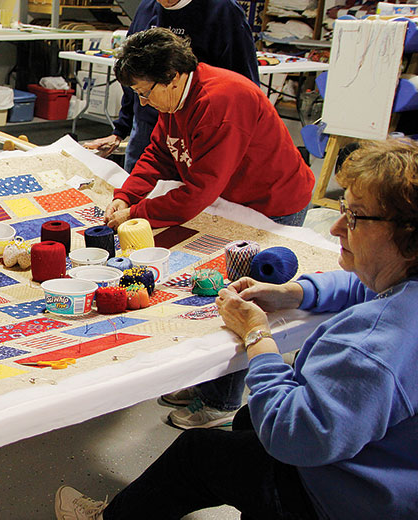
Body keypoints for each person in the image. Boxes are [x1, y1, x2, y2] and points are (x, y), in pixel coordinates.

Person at [56, 138, 418, 520]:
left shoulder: (375, 347)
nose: (337, 227)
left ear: (409, 237)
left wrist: (257, 334)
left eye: (357, 216)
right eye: (343, 208)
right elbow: (363, 285)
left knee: (197, 454)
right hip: (392, 470)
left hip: (349, 498)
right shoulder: (402, 284)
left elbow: (291, 435)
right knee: (247, 421)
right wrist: (290, 293)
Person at [104, 27, 313, 428]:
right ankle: (207, 383)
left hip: (273, 203)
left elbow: (198, 192)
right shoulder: (175, 100)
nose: (142, 102)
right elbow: (160, 152)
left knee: (243, 296)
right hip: (234, 201)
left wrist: (139, 213)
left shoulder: (221, 101)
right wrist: (127, 195)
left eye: (145, 93)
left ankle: (223, 400)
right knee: (216, 290)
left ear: (174, 77)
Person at [83, 0, 258, 173]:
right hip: (147, 130)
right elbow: (132, 76)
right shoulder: (147, 8)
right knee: (135, 198)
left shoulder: (223, 12)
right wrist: (121, 129)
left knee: (187, 204)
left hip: (197, 135)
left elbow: (246, 89)